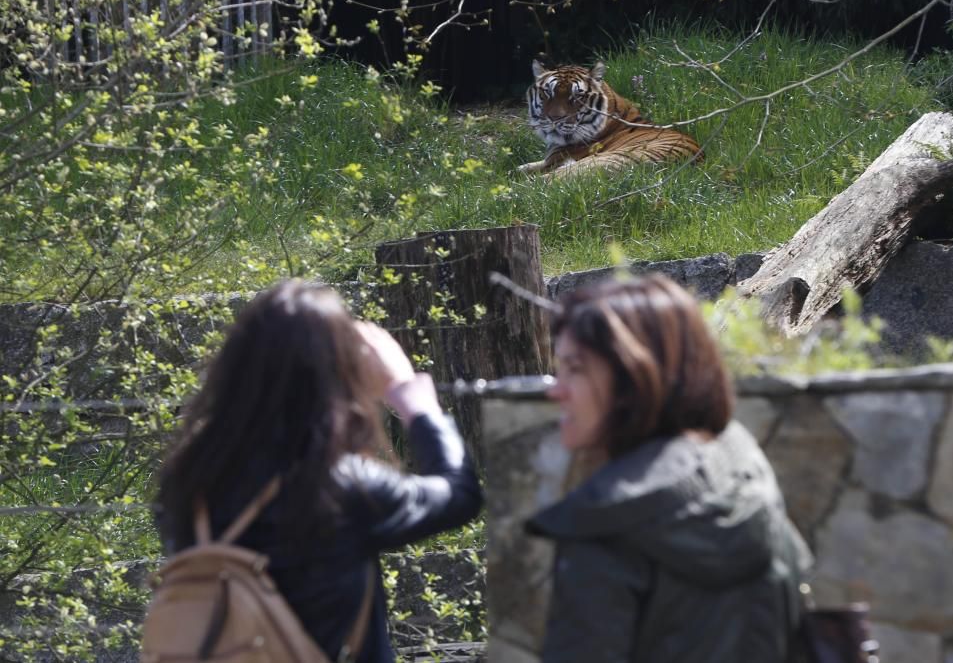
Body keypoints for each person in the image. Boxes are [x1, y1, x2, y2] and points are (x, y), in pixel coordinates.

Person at [155, 279, 482, 662]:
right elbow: (460, 495)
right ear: (334, 377)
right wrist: (414, 400)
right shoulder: (341, 486)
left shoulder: (187, 479)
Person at [527, 273, 813, 663]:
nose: (555, 390)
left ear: (634, 376)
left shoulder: (607, 521)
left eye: (575, 369)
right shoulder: (739, 459)